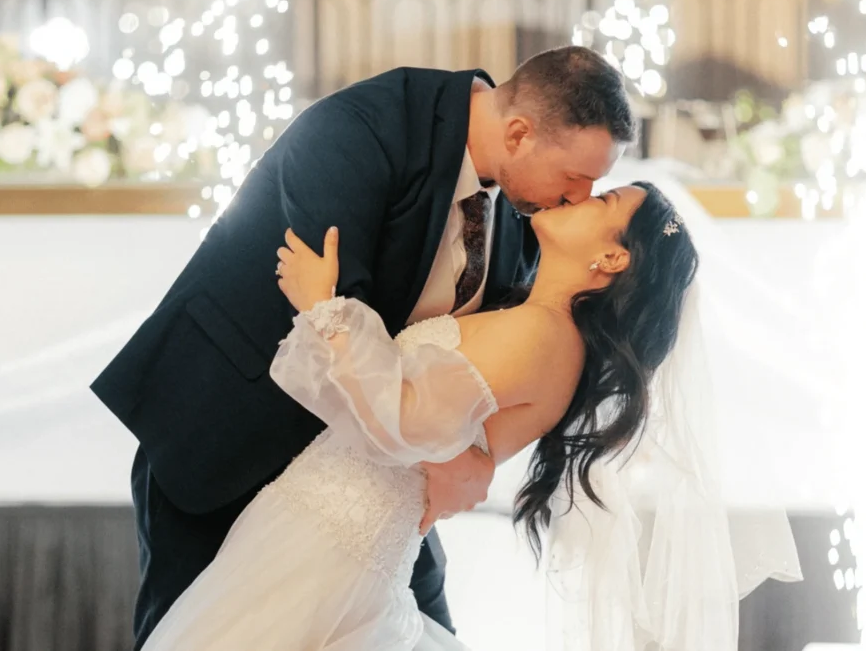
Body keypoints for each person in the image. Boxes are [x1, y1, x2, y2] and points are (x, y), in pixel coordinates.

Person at [90, 45, 635, 648]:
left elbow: (486, 368)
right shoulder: (361, 129)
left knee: (425, 627)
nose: (580, 197)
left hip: (364, 485)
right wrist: (452, 460)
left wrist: (478, 454)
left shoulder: (524, 212)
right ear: (518, 133)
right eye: (576, 178)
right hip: (232, 431)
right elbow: (336, 319)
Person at [141, 181, 707, 650]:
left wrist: (323, 306)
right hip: (322, 529)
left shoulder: (544, 335)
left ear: (613, 257)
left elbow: (403, 424)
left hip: (331, 548)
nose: (578, 195)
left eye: (603, 202)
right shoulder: (534, 322)